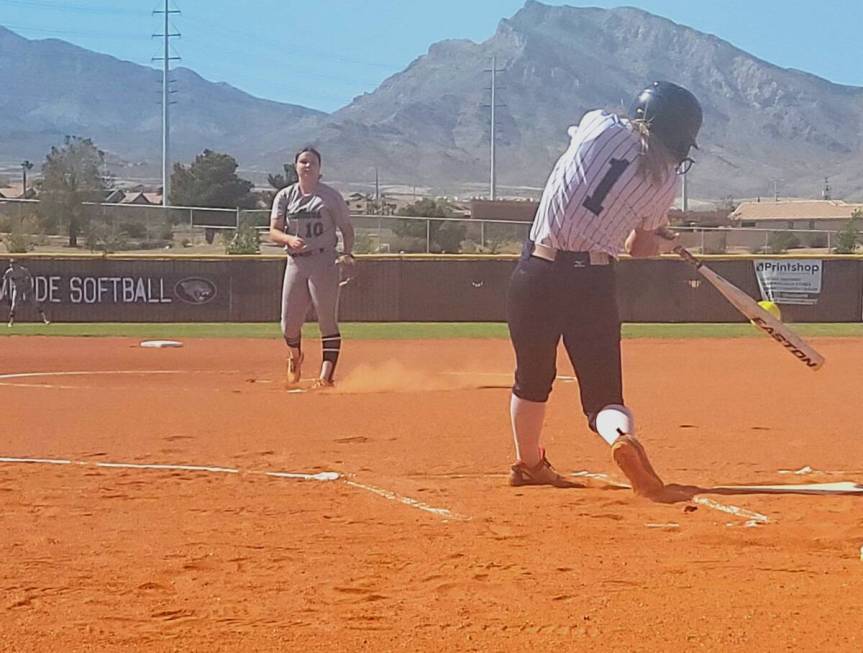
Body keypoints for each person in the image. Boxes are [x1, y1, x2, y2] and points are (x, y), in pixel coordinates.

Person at [505, 81, 703, 498]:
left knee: (532, 379)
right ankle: (619, 438)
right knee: (603, 396)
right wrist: (662, 239)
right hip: (592, 282)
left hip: (538, 270)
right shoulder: (664, 180)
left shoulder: (601, 125)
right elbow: (640, 248)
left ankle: (529, 463)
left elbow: (587, 159)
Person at [269, 147, 356, 389]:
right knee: (289, 324)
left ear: (320, 169)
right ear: (295, 166)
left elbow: (347, 229)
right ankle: (296, 356)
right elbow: (273, 231)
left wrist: (347, 254)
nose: (307, 166)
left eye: (312, 163)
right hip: (296, 261)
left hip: (324, 260)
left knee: (327, 319)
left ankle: (325, 376)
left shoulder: (330, 196)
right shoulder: (285, 196)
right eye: (303, 162)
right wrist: (288, 240)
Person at [3, 259, 50, 327]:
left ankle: (45, 319)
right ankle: (11, 322)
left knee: (35, 303)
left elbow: (30, 278)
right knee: (14, 305)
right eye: (11, 264)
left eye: (14, 263)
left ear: (17, 264)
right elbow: (5, 281)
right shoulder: (9, 272)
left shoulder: (23, 270)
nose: (12, 265)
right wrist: (6, 292)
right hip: (17, 289)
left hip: (26, 288)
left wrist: (30, 287)